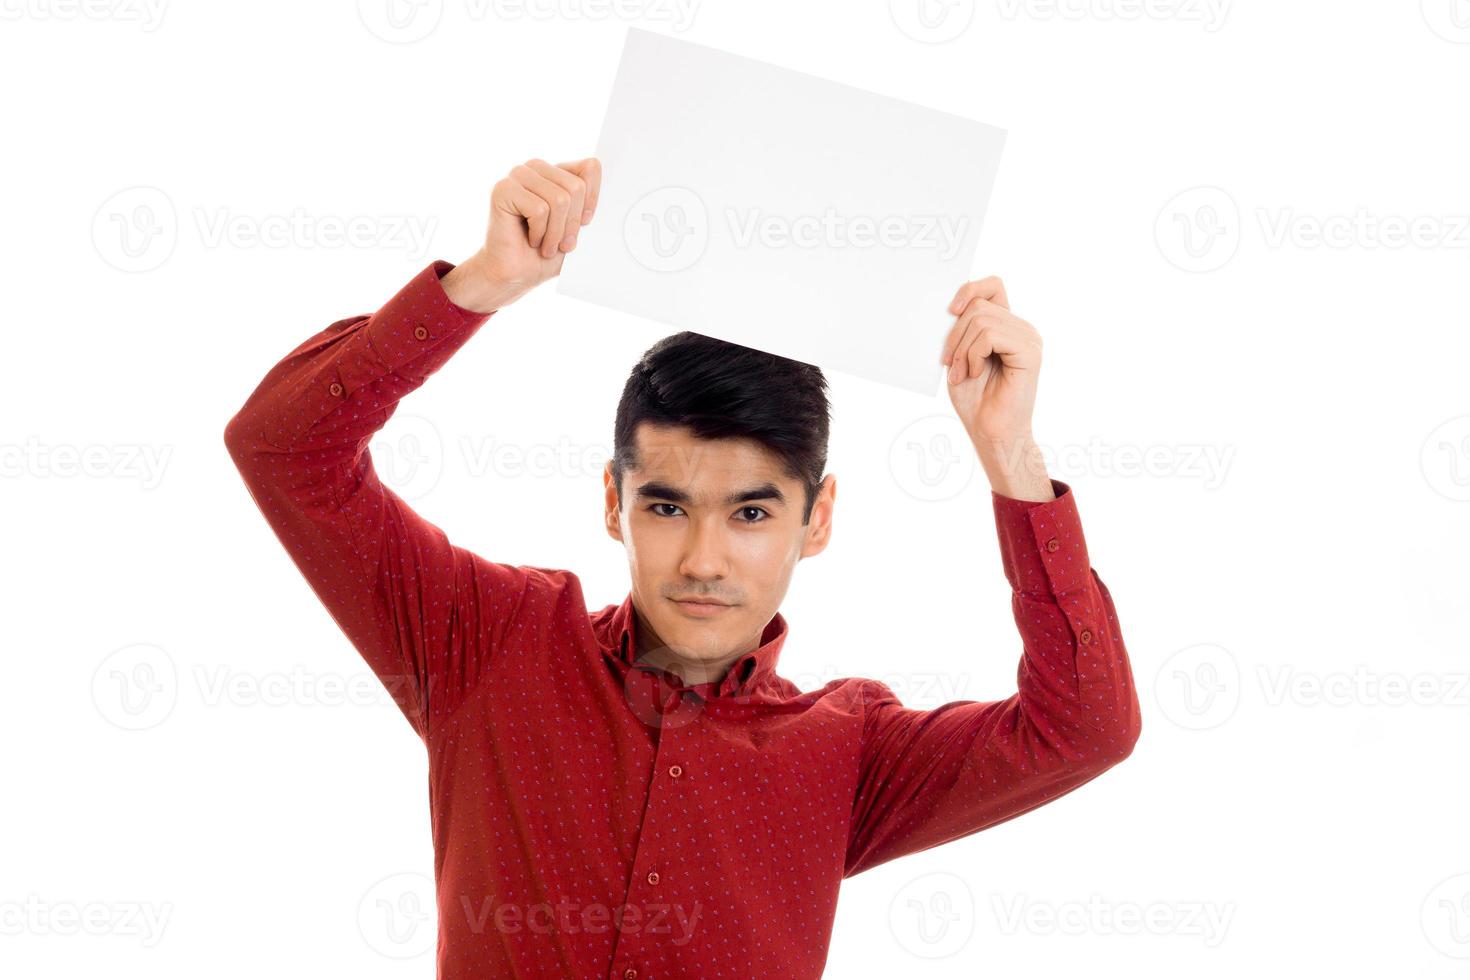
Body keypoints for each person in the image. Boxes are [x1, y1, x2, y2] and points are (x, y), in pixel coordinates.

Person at [223, 156, 1142, 979]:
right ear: (614, 503)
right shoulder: (483, 642)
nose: (704, 560)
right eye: (667, 506)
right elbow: (281, 448)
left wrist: (1010, 454)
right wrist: (475, 286)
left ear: (816, 520)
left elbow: (1086, 728)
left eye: (751, 513)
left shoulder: (850, 749)